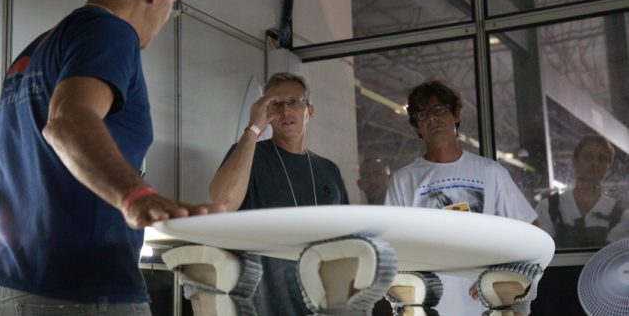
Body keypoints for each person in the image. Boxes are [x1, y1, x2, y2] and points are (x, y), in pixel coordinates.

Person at [0, 0, 223, 315]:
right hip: (85, 292)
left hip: (15, 285)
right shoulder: (111, 32)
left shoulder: (35, 51)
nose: (171, 11)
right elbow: (67, 120)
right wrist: (136, 197)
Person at [385, 79, 538, 316]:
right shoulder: (404, 180)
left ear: (456, 115)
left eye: (439, 110)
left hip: (487, 304)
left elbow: (531, 231)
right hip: (428, 305)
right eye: (423, 114)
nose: (432, 118)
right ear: (416, 126)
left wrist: (502, 278)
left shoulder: (490, 172)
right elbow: (392, 249)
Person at [209, 72, 349, 315]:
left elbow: (346, 237)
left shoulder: (328, 169)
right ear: (267, 112)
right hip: (263, 297)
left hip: (322, 297)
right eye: (276, 104)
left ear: (310, 111)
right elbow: (222, 202)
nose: (286, 111)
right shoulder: (249, 154)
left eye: (295, 102)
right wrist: (253, 128)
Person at [535, 134, 629, 248]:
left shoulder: (621, 214)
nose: (595, 163)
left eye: (602, 158)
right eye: (588, 156)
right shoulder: (548, 208)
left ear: (609, 168)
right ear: (575, 162)